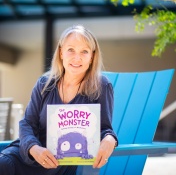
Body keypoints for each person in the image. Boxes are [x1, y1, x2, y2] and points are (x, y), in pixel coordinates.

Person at [0, 25, 118, 175]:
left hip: (60, 162)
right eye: (71, 50)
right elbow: (27, 123)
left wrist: (110, 139)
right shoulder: (45, 83)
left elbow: (105, 129)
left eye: (84, 51)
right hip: (29, 154)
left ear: (92, 56)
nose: (77, 57)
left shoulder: (101, 86)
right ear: (61, 52)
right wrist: (33, 148)